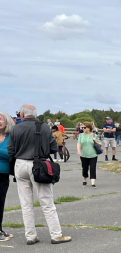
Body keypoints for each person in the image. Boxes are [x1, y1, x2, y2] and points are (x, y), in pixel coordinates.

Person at [6, 104, 72, 245]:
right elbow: (53, 148)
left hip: (20, 165)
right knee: (46, 201)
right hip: (38, 165)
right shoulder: (43, 127)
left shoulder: (15, 128)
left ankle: (30, 235)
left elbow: (10, 151)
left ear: (22, 115)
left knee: (26, 203)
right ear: (35, 114)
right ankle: (56, 234)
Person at [0, 111, 14, 241]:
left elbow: (10, 154)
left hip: (3, 174)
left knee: (0, 202)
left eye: (0, 119)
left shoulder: (10, 137)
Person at [77, 122, 101, 188]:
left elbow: (100, 145)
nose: (83, 129)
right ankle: (85, 179)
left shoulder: (94, 135)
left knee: (93, 168)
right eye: (82, 127)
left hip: (93, 154)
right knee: (85, 168)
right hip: (84, 154)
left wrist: (95, 141)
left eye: (84, 127)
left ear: (89, 128)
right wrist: (79, 150)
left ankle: (93, 182)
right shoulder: (81, 135)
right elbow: (79, 143)